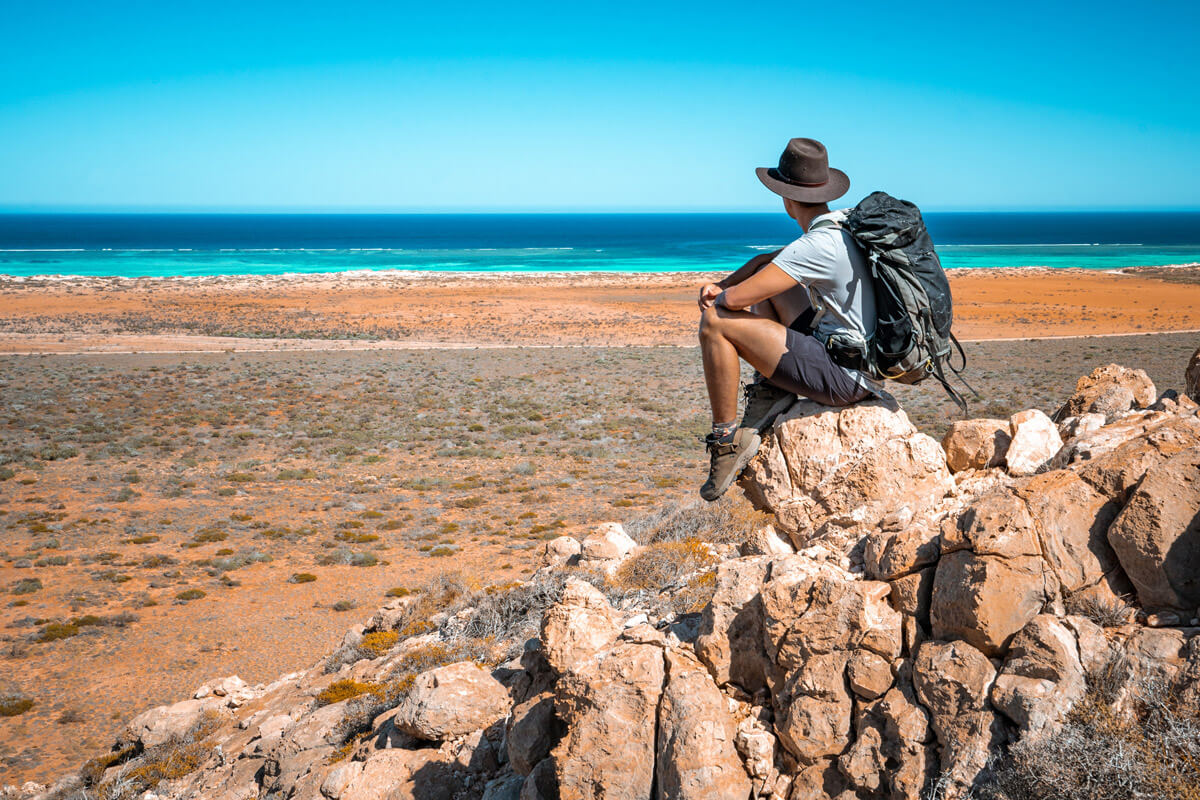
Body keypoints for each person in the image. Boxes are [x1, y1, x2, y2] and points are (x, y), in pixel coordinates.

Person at [697, 137, 879, 501]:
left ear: (786, 197)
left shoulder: (815, 246)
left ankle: (726, 441)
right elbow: (768, 261)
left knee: (716, 321)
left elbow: (736, 300)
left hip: (843, 378)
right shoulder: (842, 226)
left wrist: (722, 293)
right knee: (771, 286)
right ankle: (772, 388)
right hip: (854, 358)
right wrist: (724, 282)